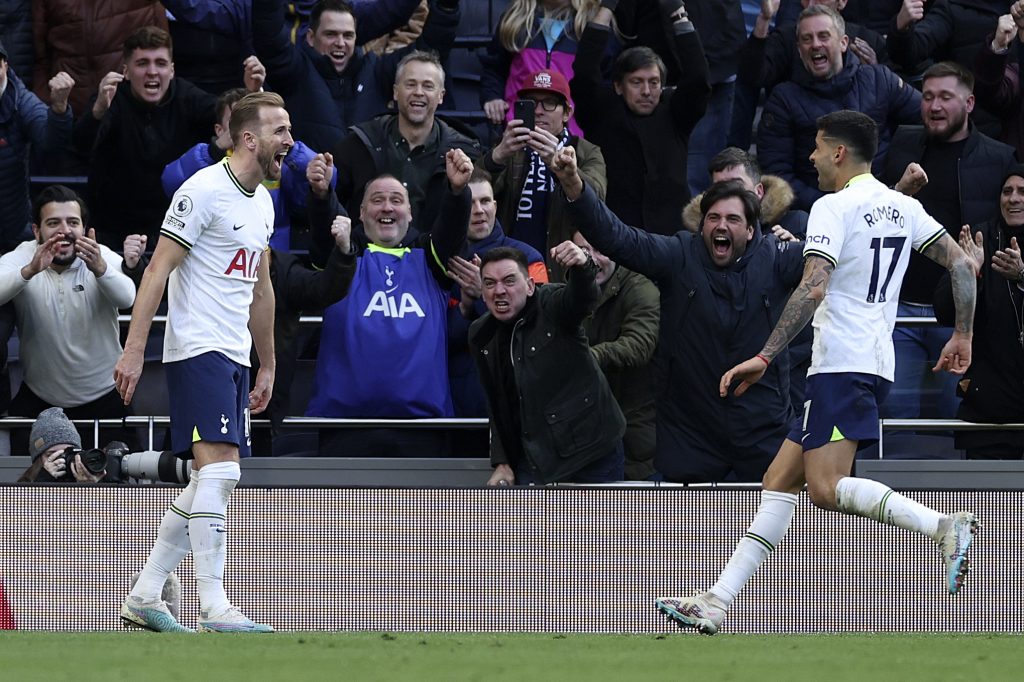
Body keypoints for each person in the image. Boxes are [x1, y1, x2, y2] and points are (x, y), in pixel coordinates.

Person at [653, 110, 979, 635]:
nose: (809, 157)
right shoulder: (900, 205)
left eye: (817, 147)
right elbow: (963, 265)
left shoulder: (831, 206)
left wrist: (764, 355)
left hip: (840, 364)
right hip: (870, 362)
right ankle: (717, 601)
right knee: (778, 481)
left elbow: (813, 285)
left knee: (826, 488)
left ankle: (942, 525)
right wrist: (962, 334)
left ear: (838, 153)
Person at [113, 91, 291, 634]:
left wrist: (267, 364)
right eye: (281, 131)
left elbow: (261, 289)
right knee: (222, 471)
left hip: (234, 353)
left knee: (208, 480)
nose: (290, 141)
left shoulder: (263, 201)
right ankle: (214, 606)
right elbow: (157, 272)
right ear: (249, 138)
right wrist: (135, 347)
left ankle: (145, 594)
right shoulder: (202, 191)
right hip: (196, 347)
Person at [554, 157, 804, 483]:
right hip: (690, 435)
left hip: (762, 433)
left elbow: (843, 258)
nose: (721, 226)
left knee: (774, 529)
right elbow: (616, 237)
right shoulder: (678, 255)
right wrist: (574, 184)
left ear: (751, 227)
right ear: (702, 226)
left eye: (732, 218)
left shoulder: (779, 257)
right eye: (713, 218)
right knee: (682, 532)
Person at [304, 149, 473, 457]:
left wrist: (458, 192)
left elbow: (450, 231)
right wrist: (321, 193)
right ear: (361, 212)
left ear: (410, 213)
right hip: (345, 427)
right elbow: (326, 234)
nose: (387, 207)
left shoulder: (430, 259)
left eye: (397, 200)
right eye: (377, 199)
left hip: (423, 429)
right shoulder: (343, 259)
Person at [881, 61, 1016, 435]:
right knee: (895, 416)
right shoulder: (902, 144)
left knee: (954, 417)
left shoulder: (998, 158)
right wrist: (898, 190)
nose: (934, 106)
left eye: (945, 97)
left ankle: (955, 498)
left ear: (970, 103)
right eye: (927, 97)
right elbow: (874, 213)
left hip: (960, 316)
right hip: (900, 309)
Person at [470, 245, 626, 485]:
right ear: (482, 291)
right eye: (489, 283)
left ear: (531, 285)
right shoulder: (480, 333)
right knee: (534, 523)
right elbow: (495, 403)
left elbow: (583, 298)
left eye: (509, 281)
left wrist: (583, 266)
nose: (499, 291)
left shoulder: (552, 304)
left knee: (596, 524)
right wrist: (502, 461)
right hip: (534, 457)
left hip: (592, 454)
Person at [0, 185, 137, 453]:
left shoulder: (100, 255)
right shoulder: (23, 256)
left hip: (105, 399)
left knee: (122, 491)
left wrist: (100, 269)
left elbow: (127, 298)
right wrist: (28, 271)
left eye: (73, 222)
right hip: (41, 399)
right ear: (37, 231)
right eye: (53, 223)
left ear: (84, 230)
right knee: (25, 488)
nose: (64, 230)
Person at [71, 26, 230, 250]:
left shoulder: (187, 96)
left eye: (161, 63)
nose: (152, 71)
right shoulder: (109, 98)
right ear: (125, 71)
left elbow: (228, 118)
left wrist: (254, 94)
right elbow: (80, 148)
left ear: (172, 70)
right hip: (112, 230)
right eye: (142, 63)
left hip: (173, 227)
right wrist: (97, 112)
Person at [756, 5, 921, 211]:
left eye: (824, 36)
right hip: (819, 213)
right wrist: (832, 207)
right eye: (807, 39)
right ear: (799, 50)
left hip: (887, 202)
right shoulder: (784, 99)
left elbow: (928, 116)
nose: (815, 44)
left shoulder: (879, 79)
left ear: (843, 43)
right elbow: (778, 176)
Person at [323, 49, 479, 266]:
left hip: (433, 272)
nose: (418, 92)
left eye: (428, 85)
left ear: (441, 95)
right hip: (364, 268)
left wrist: (459, 190)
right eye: (410, 84)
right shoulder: (358, 143)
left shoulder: (463, 151)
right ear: (395, 92)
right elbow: (331, 206)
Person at [569, 2, 709, 235]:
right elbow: (584, 72)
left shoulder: (676, 114)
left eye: (653, 82)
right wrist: (607, 8)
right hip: (615, 238)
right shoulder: (601, 113)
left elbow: (698, 79)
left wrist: (678, 14)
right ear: (618, 86)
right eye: (636, 82)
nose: (646, 91)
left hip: (670, 240)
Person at [252, 0, 462, 155]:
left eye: (348, 35)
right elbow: (268, 34)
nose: (340, 43)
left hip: (372, 201)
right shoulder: (295, 71)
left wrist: (446, 8)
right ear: (310, 37)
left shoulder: (376, 71)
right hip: (310, 198)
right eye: (331, 34)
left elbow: (430, 50)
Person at [161, 85, 332, 251]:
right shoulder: (205, 173)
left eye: (251, 120)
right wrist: (214, 150)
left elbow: (317, 192)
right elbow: (171, 184)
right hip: (221, 265)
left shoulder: (277, 165)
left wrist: (290, 149)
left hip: (275, 261)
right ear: (220, 130)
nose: (244, 127)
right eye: (237, 121)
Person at [481, 68, 606, 281]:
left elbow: (597, 197)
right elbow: (471, 192)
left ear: (567, 112)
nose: (539, 111)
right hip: (511, 269)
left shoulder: (586, 151)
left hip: (562, 270)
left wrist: (560, 165)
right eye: (531, 103)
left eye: (549, 103)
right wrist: (497, 156)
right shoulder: (508, 147)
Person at [935, 166, 1024, 459]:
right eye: (1007, 191)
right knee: (988, 501)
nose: (1013, 199)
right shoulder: (980, 238)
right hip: (989, 404)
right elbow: (944, 312)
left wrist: (1022, 276)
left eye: (1022, 192)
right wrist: (967, 274)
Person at [446, 167, 548, 419]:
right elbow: (439, 337)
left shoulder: (528, 258)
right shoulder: (443, 261)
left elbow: (538, 325)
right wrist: (465, 307)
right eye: (470, 203)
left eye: (485, 201)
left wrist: (483, 295)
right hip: (457, 402)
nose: (479, 210)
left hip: (516, 399)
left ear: (495, 205)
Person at [572, 231, 660, 481]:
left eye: (600, 250)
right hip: (585, 436)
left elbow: (639, 345)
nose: (592, 260)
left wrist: (586, 357)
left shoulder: (639, 288)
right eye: (584, 251)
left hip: (635, 437)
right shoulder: (569, 284)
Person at [0, 39, 74, 252]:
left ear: (5, 65)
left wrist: (59, 109)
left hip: (11, 230)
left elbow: (51, 144)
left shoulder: (20, 100)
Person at [16, 407, 103, 484]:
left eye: (68, 453)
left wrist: (90, 488)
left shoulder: (92, 479)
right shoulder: (21, 488)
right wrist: (43, 481)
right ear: (38, 460)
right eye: (52, 455)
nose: (62, 461)